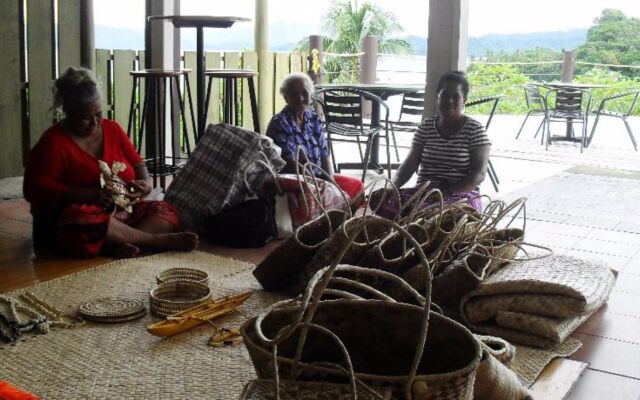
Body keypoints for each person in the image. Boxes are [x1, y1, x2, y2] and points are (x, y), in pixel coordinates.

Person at [23, 66, 198, 258]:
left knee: (166, 210)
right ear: (68, 111)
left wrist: (145, 184)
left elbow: (138, 164)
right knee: (83, 220)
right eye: (85, 118)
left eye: (98, 114)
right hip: (74, 219)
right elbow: (35, 189)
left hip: (121, 214)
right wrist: (85, 195)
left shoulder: (112, 129)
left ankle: (116, 244)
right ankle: (153, 241)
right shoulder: (54, 142)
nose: (95, 122)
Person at [373, 71, 490, 217]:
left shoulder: (475, 130)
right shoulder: (425, 127)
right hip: (424, 193)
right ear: (438, 97)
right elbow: (410, 163)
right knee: (380, 201)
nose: (450, 101)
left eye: (456, 96)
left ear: (464, 100)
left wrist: (447, 192)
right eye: (445, 96)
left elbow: (479, 174)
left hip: (460, 195)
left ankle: (419, 223)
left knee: (441, 216)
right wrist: (392, 186)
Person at [266, 72, 364, 200]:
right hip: (296, 183)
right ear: (286, 97)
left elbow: (324, 155)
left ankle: (339, 218)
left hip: (318, 178)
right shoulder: (280, 123)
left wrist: (332, 184)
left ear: (311, 95)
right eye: (294, 94)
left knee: (356, 187)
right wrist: (320, 186)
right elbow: (289, 165)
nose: (300, 98)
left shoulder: (313, 119)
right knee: (316, 198)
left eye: (304, 93)